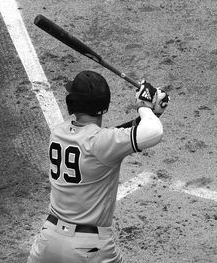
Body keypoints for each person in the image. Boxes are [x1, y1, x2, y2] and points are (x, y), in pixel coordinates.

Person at [27, 70, 170, 263]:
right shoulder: (103, 143)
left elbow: (117, 136)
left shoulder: (59, 132)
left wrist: (151, 114)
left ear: (73, 102)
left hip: (47, 243)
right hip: (89, 249)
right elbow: (152, 132)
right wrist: (144, 108)